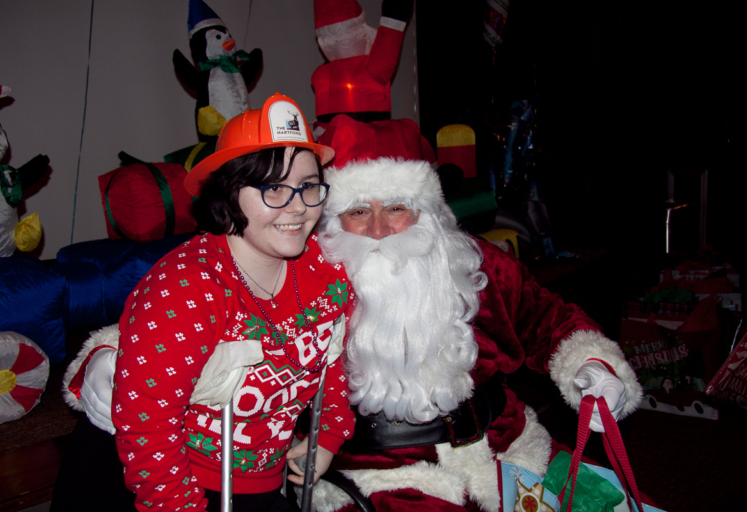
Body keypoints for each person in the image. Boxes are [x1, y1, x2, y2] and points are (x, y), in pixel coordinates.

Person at [68, 138, 643, 512]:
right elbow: (199, 319)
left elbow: (548, 318)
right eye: (357, 211)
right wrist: (105, 357)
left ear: (428, 211)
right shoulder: (313, 267)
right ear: (331, 217)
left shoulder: (469, 261)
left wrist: (593, 363)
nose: (379, 229)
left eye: (398, 206)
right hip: (376, 476)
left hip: (508, 449)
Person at [54, 93, 355, 512]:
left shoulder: (326, 269)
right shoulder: (187, 287)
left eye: (308, 187)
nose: (298, 207)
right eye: (273, 188)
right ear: (229, 193)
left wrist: (328, 433)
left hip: (257, 479)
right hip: (163, 477)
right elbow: (149, 428)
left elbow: (330, 356)